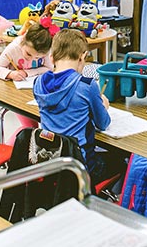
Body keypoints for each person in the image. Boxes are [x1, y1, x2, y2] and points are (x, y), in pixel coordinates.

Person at [34, 29, 119, 182]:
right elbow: (103, 123)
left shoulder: (38, 83)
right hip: (80, 167)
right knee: (121, 161)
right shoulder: (87, 85)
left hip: (50, 163)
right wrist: (103, 106)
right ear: (82, 57)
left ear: (51, 58)